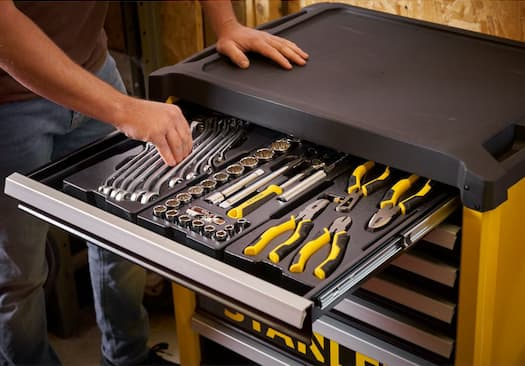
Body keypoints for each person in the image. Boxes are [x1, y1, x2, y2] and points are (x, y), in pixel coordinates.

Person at [0, 1, 308, 365]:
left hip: (93, 68)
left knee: (122, 238)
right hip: (9, 101)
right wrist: (123, 109)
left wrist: (227, 25)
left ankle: (126, 356)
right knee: (18, 274)